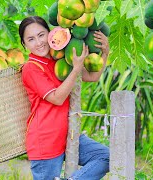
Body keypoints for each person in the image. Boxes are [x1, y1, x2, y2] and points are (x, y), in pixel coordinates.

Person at [18, 16, 110, 180]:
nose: (38, 42)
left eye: (41, 35)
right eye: (31, 39)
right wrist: (75, 69)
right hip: (45, 143)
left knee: (106, 157)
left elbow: (92, 76)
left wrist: (105, 52)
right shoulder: (31, 68)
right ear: (24, 44)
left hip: (69, 135)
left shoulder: (58, 60)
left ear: (50, 33)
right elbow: (57, 98)